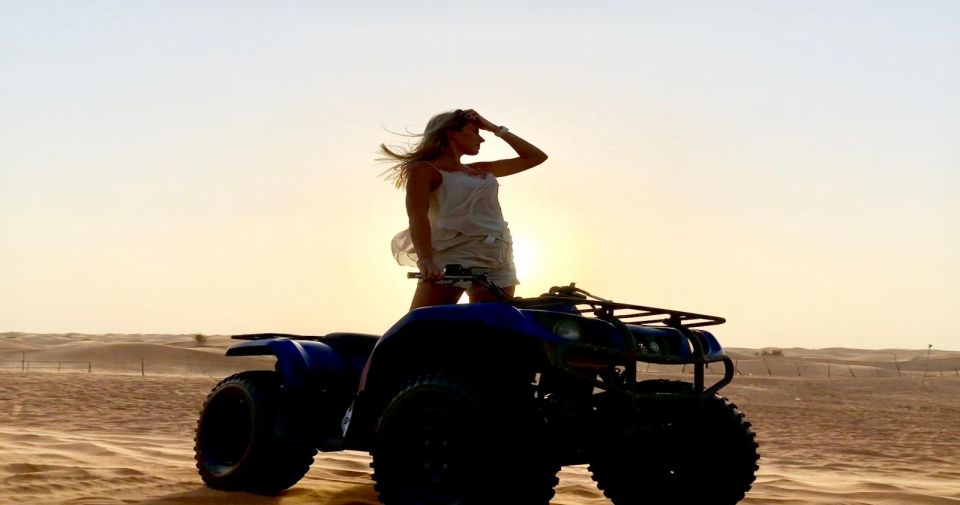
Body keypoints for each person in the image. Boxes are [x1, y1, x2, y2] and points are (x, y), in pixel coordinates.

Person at [380, 108, 548, 309]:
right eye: (475, 132)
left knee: (493, 324)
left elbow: (536, 157)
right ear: (452, 132)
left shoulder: (481, 169)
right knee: (425, 322)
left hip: (498, 255)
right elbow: (417, 216)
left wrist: (494, 128)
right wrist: (425, 259)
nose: (482, 139)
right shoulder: (425, 170)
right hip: (454, 254)